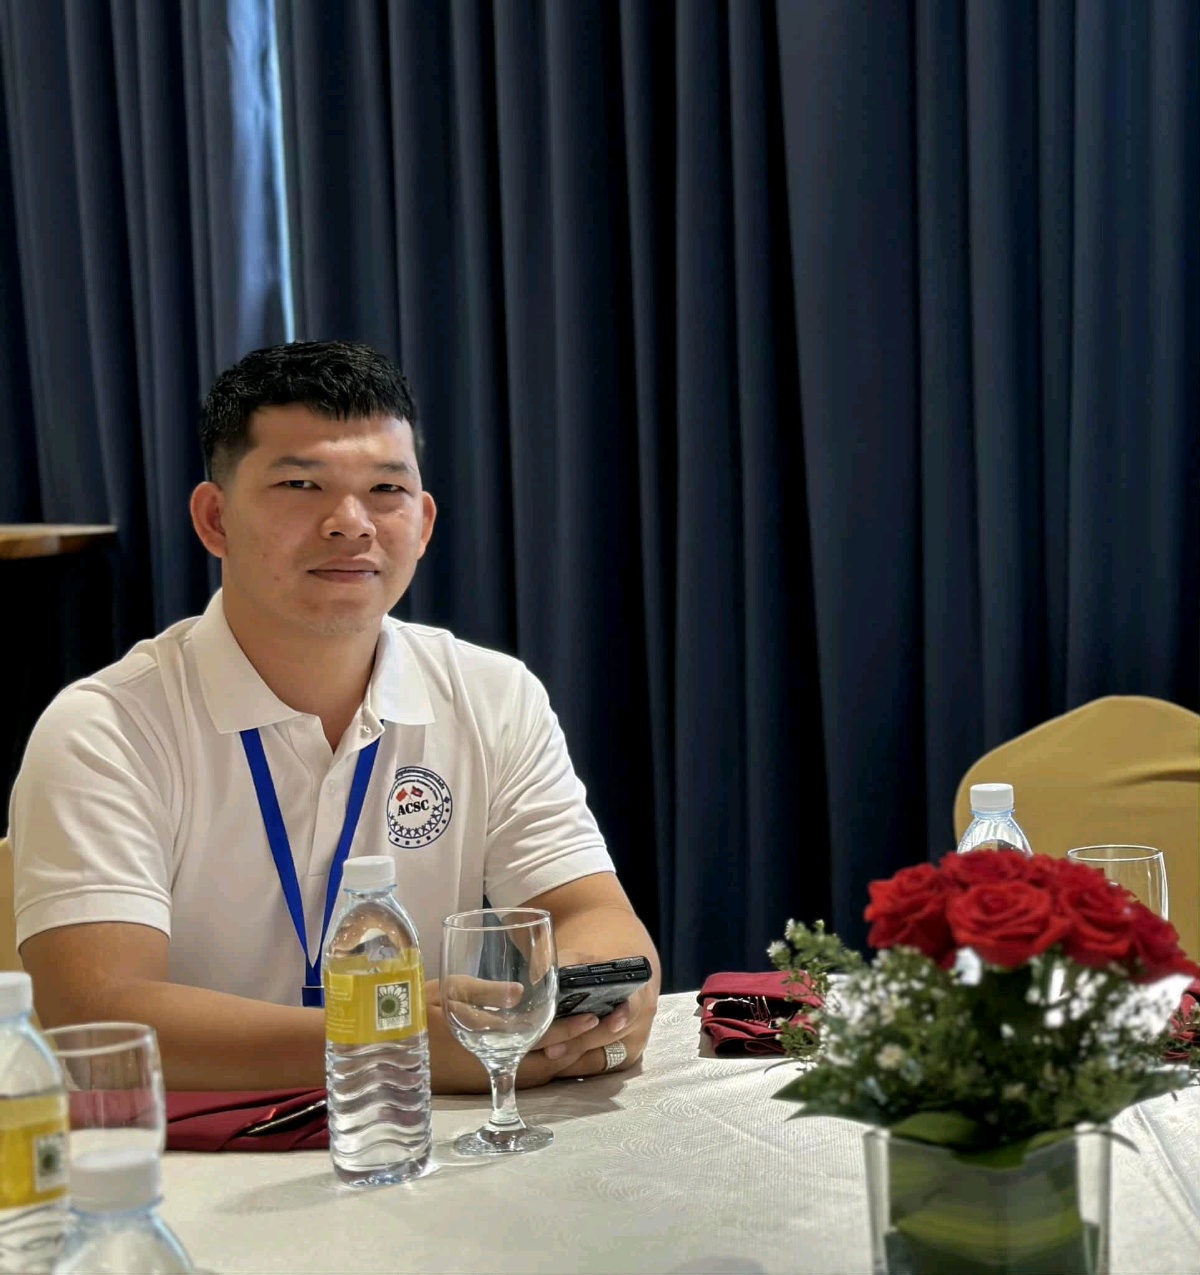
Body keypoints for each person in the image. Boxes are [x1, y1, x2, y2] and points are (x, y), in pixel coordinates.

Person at [9, 340, 660, 1092]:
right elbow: (96, 1015)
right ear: (215, 519)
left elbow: (596, 919)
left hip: (419, 1139)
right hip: (195, 1151)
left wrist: (583, 1009)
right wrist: (387, 1038)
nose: (351, 524)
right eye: (300, 484)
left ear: (423, 521)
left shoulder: (493, 695)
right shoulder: (104, 730)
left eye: (386, 489)